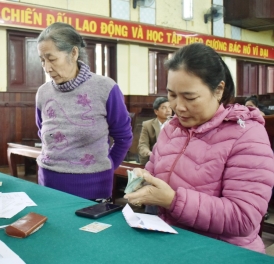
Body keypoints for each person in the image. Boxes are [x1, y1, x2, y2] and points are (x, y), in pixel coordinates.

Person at [124, 43, 274, 253]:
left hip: (222, 252)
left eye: (190, 97)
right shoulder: (171, 129)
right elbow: (153, 171)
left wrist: (173, 201)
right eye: (172, 95)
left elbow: (244, 218)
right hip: (171, 243)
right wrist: (142, 180)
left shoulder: (247, 135)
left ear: (219, 90)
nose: (179, 106)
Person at [35, 22, 133, 201]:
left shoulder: (105, 88)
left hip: (92, 186)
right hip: (48, 181)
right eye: (42, 60)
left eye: (52, 59)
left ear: (73, 53)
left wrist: (106, 167)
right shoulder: (43, 92)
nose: (47, 68)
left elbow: (123, 138)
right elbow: (43, 131)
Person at [137, 97, 172, 165]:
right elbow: (142, 145)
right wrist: (150, 153)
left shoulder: (176, 125)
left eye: (170, 107)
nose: (168, 110)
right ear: (156, 111)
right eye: (164, 108)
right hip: (154, 159)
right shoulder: (147, 125)